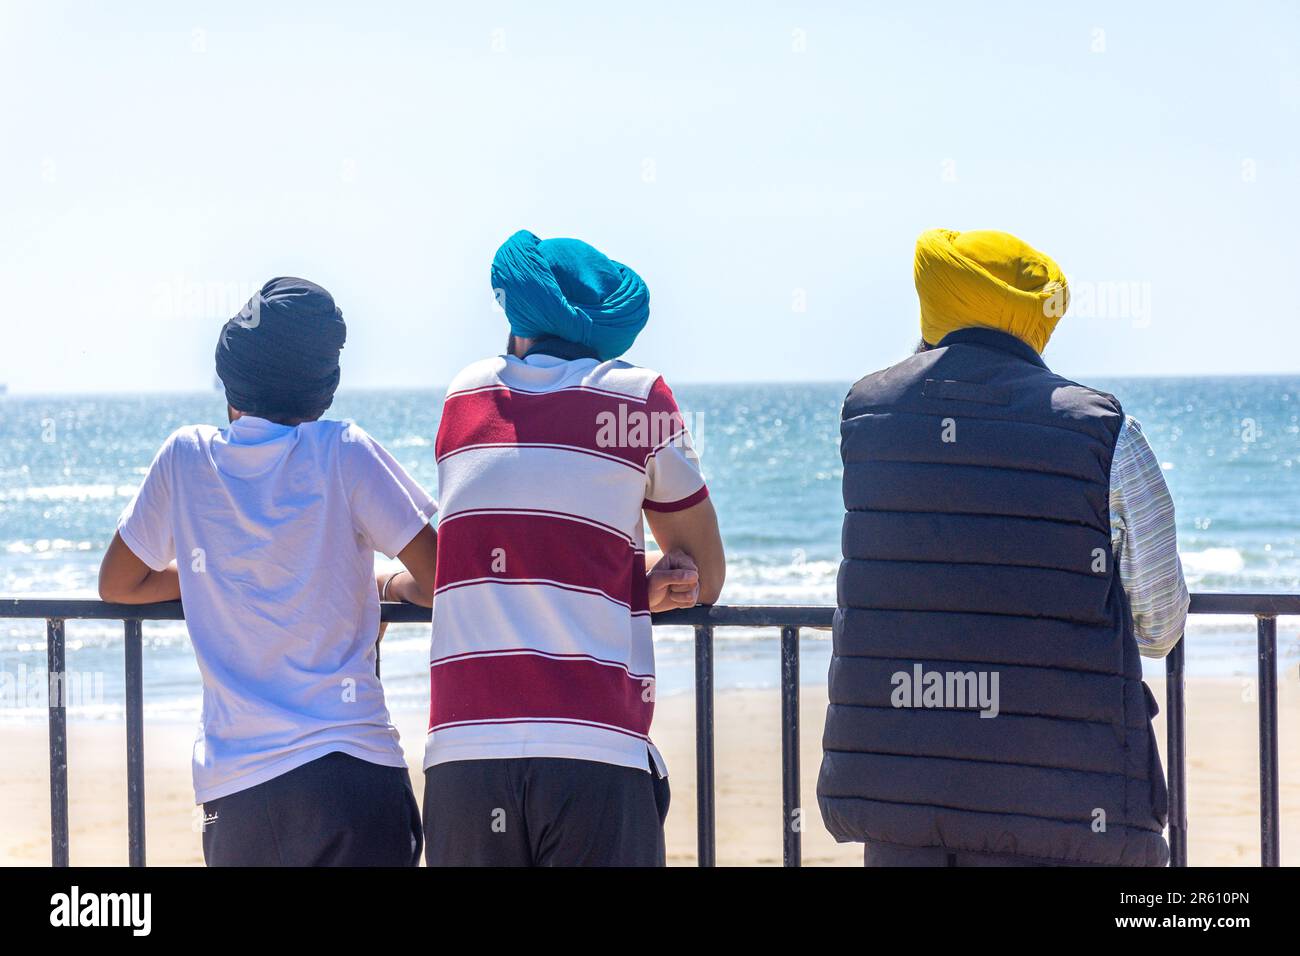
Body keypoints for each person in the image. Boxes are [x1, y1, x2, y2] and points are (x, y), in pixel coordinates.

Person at [817, 229, 1189, 867]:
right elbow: (1158, 624)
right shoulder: (1103, 429)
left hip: (904, 807)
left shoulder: (866, 415)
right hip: (1069, 812)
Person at [98, 277, 438, 866]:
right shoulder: (344, 450)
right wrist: (382, 588)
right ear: (321, 390)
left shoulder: (185, 457)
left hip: (240, 794)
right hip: (352, 773)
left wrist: (214, 572)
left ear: (231, 379)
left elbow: (119, 583)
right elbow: (444, 578)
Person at [422, 230, 725, 866]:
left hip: (463, 756)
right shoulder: (639, 398)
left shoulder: (463, 398)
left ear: (517, 318)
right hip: (592, 749)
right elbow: (705, 572)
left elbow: (510, 541)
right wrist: (637, 581)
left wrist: (622, 579)